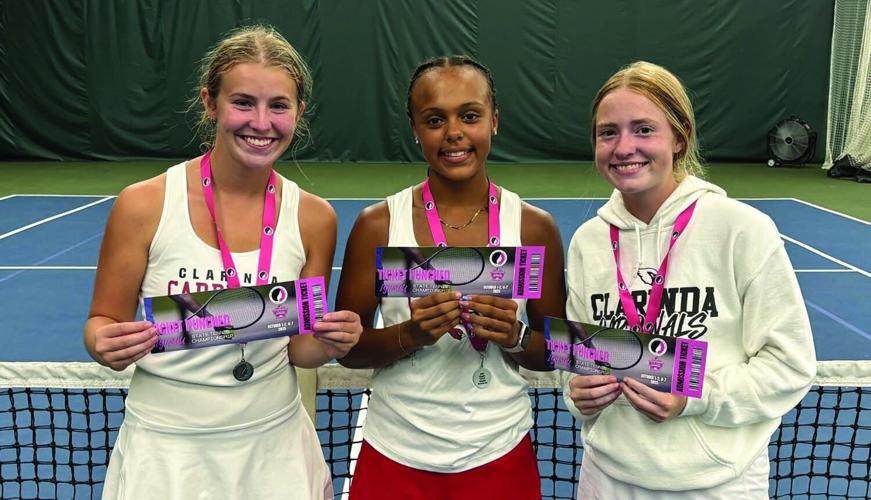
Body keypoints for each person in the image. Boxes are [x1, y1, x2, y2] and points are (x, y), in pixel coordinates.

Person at [83, 25, 362, 499]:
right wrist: (103, 343)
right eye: (243, 102)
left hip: (275, 449)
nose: (261, 122)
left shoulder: (316, 218)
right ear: (210, 104)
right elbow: (101, 323)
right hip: (167, 451)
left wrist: (334, 342)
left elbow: (300, 348)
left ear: (298, 112)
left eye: (278, 105)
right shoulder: (144, 205)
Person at [562, 61, 816, 498]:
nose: (624, 147)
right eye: (608, 132)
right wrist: (577, 393)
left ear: (679, 137)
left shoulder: (743, 229)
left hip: (719, 483)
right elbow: (579, 359)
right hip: (607, 477)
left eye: (644, 129)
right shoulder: (587, 241)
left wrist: (695, 397)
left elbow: (790, 366)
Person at [335, 55, 566, 499]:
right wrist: (410, 333)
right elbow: (349, 351)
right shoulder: (377, 225)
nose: (454, 133)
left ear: (494, 121)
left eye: (470, 115)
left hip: (499, 453)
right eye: (435, 119)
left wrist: (515, 336)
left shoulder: (535, 228)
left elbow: (553, 352)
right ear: (415, 128)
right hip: (394, 456)